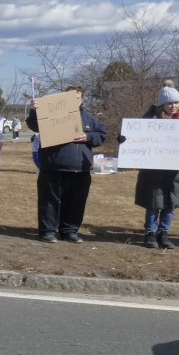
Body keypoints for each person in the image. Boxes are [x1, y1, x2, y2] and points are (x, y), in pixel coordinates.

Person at [26, 85, 106, 243]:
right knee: (49, 201)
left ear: (81, 99)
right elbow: (34, 125)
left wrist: (88, 137)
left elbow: (102, 135)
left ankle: (69, 231)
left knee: (76, 202)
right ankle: (48, 231)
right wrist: (34, 111)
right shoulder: (51, 115)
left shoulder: (89, 120)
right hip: (53, 167)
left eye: (78, 97)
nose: (75, 100)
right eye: (71, 97)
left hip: (80, 170)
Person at [134, 84, 179, 249]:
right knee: (154, 203)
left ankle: (164, 233)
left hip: (176, 172)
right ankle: (150, 234)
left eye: (176, 103)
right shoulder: (150, 121)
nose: (173, 106)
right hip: (154, 171)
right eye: (169, 103)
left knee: (171, 204)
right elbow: (137, 138)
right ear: (162, 105)